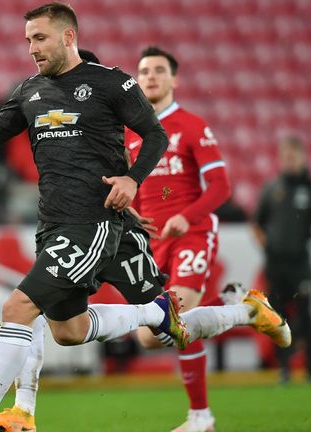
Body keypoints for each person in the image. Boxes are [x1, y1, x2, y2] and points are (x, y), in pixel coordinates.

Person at [0, 5, 290, 431]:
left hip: (93, 223)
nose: (31, 48)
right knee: (76, 331)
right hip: (55, 226)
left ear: (68, 37)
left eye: (39, 38)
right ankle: (243, 312)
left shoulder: (112, 82)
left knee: (18, 306)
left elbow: (155, 135)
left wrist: (134, 180)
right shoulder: (29, 91)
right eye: (27, 40)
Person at [123, 45, 232, 432]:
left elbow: (221, 186)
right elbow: (132, 189)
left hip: (192, 233)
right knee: (149, 338)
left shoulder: (191, 125)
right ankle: (235, 308)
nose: (150, 76)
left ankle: (200, 416)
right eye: (143, 71)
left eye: (158, 70)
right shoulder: (133, 134)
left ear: (174, 79)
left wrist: (187, 217)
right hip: (152, 245)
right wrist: (129, 211)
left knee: (175, 314)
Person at [254, 136, 311, 383]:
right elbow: (257, 222)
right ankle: (284, 369)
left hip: (301, 264)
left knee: (307, 316)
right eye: (285, 156)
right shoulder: (272, 188)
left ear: (302, 157)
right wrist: (267, 248)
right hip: (276, 265)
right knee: (277, 317)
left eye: (292, 155)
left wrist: (310, 242)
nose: (288, 160)